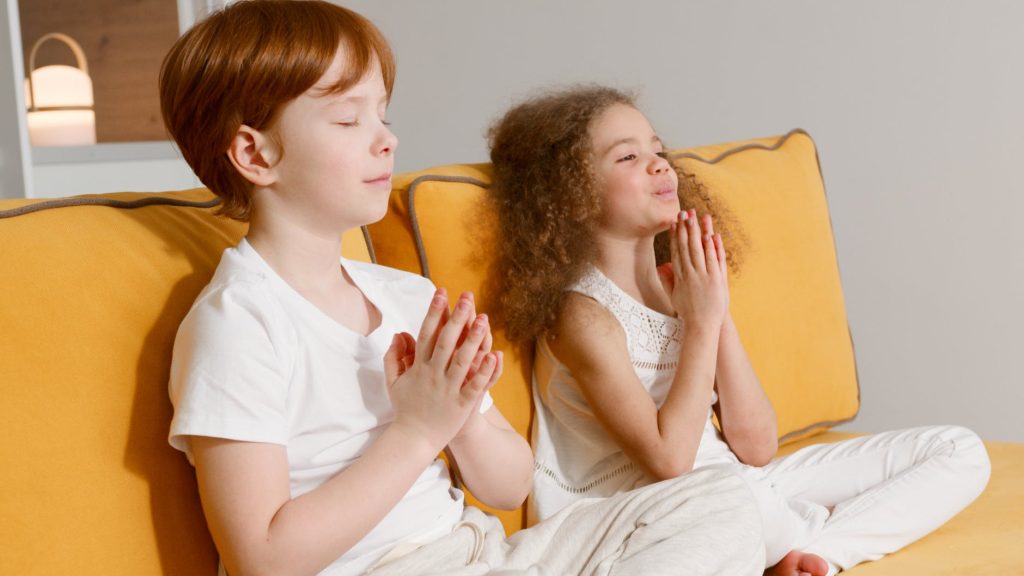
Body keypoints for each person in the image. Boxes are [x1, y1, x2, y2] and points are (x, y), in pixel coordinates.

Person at [161, 3, 765, 575]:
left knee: (719, 500)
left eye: (383, 115)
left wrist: (463, 421)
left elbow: (507, 485)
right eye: (348, 119)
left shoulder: (406, 296)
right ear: (254, 153)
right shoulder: (240, 321)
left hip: (487, 556)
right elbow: (261, 559)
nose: (385, 139)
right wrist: (417, 431)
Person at [487, 85, 992, 576]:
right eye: (627, 158)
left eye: (658, 150)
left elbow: (756, 447)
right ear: (570, 195)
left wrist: (715, 311)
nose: (660, 164)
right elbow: (669, 461)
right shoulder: (583, 314)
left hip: (737, 486)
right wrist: (702, 323)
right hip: (646, 511)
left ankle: (817, 552)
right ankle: (791, 536)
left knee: (959, 451)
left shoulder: (681, 287)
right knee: (745, 500)